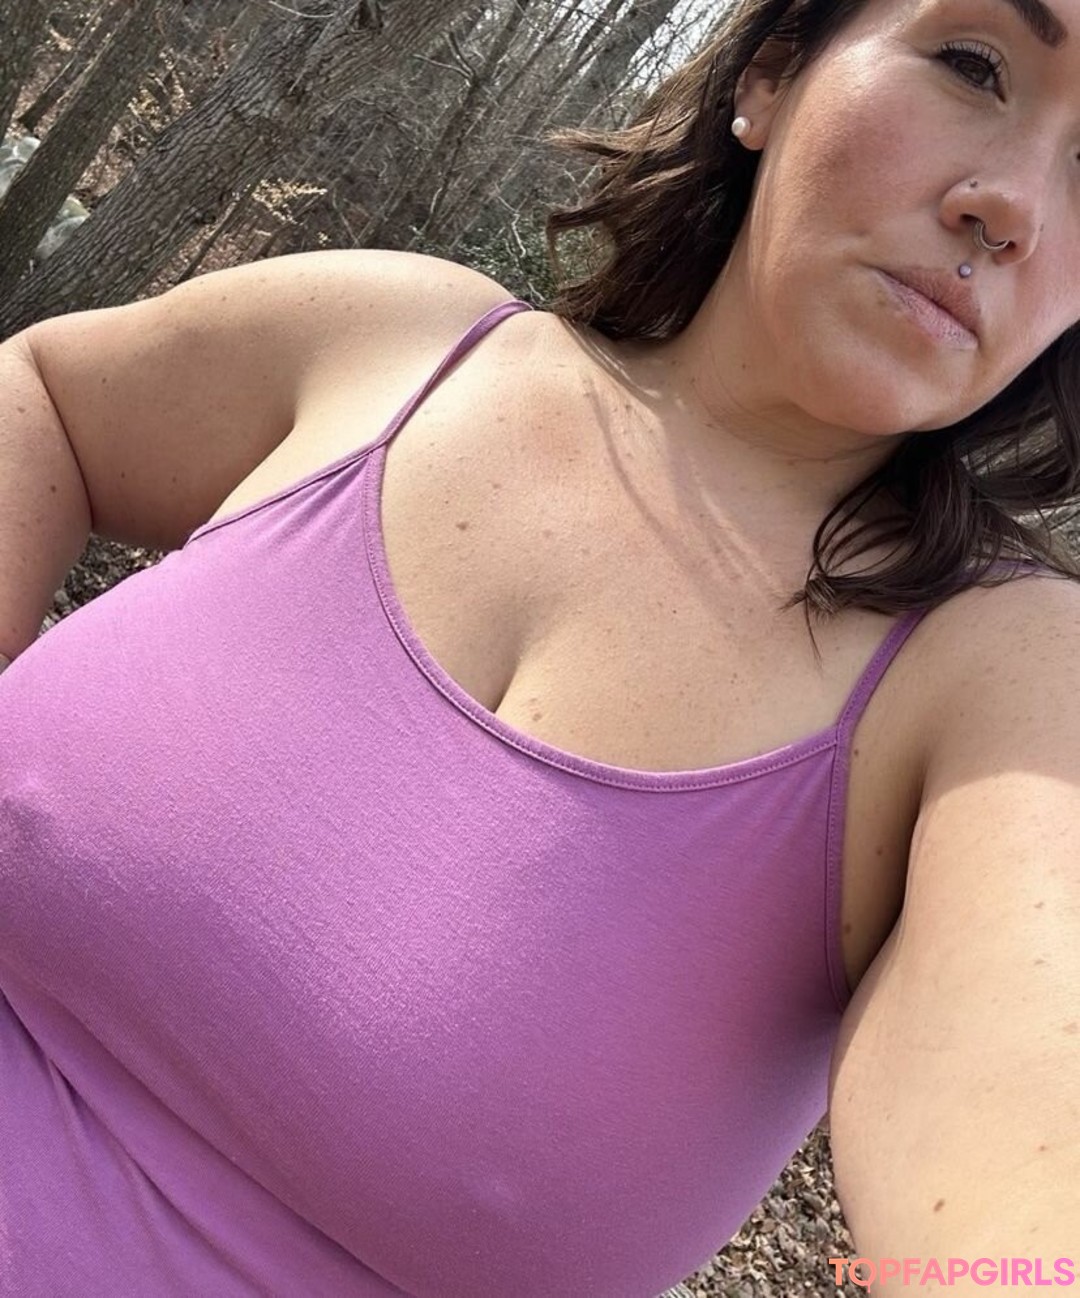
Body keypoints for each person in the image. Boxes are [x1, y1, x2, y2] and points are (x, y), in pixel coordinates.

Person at [1, 0, 1079, 1293]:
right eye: (973, 65)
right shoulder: (401, 342)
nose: (1013, 210)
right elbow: (39, 399)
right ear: (772, 76)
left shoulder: (1008, 683)